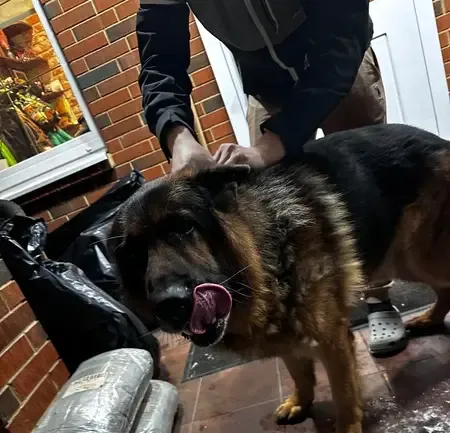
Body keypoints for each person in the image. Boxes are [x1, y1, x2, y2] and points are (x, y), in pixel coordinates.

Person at [136, 0, 407, 356]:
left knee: (365, 184)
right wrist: (177, 135)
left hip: (337, 67)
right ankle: (306, 310)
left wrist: (273, 143)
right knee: (267, 208)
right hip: (268, 87)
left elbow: (343, 31)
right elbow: (160, 58)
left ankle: (378, 298)